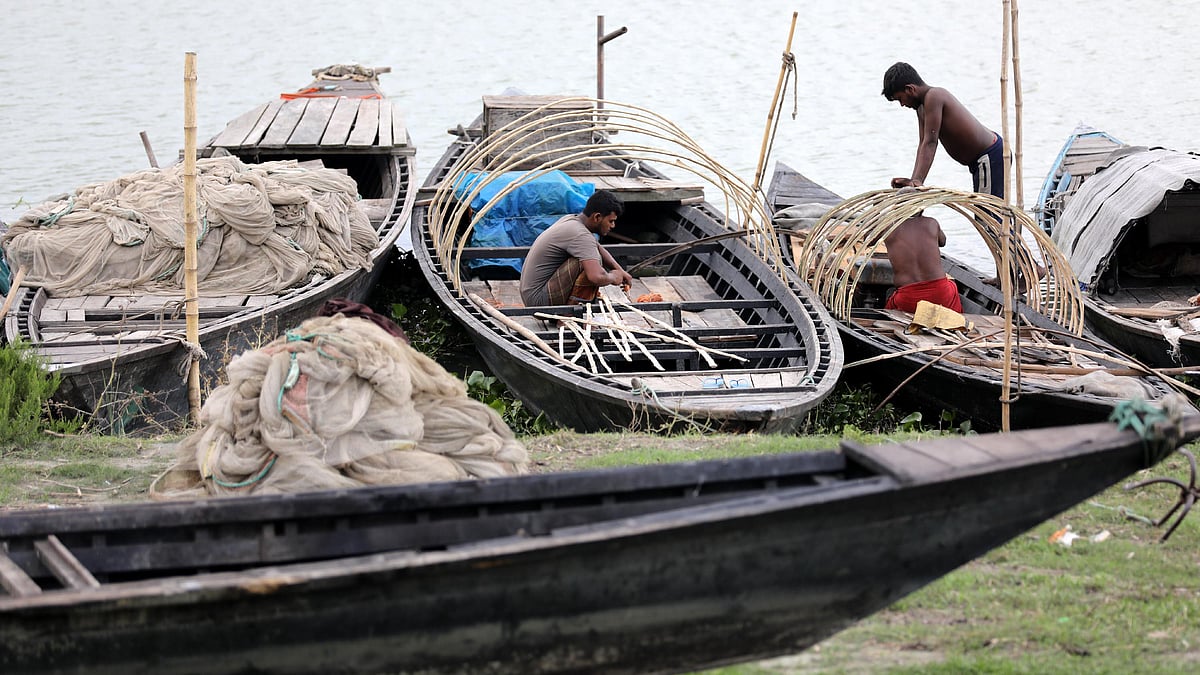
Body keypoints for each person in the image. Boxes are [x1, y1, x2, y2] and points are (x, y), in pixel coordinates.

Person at [882, 62, 1004, 199]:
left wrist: (917, 182)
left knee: (987, 214)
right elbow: (923, 144)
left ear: (910, 89)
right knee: (985, 210)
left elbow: (930, 143)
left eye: (900, 99)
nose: (902, 104)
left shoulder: (934, 96)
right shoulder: (921, 109)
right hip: (979, 162)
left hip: (990, 154)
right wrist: (913, 183)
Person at [519, 190, 633, 306]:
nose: (613, 226)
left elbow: (598, 247)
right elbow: (596, 277)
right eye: (611, 221)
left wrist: (621, 271)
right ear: (597, 217)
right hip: (538, 302)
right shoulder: (580, 235)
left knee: (592, 253)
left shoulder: (571, 220)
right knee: (591, 262)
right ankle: (569, 316)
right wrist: (613, 277)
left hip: (532, 296)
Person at [883, 213, 962, 313]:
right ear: (921, 207)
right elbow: (943, 241)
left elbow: (869, 240)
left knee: (890, 305)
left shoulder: (888, 228)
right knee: (952, 285)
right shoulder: (931, 222)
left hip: (909, 299)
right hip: (941, 295)